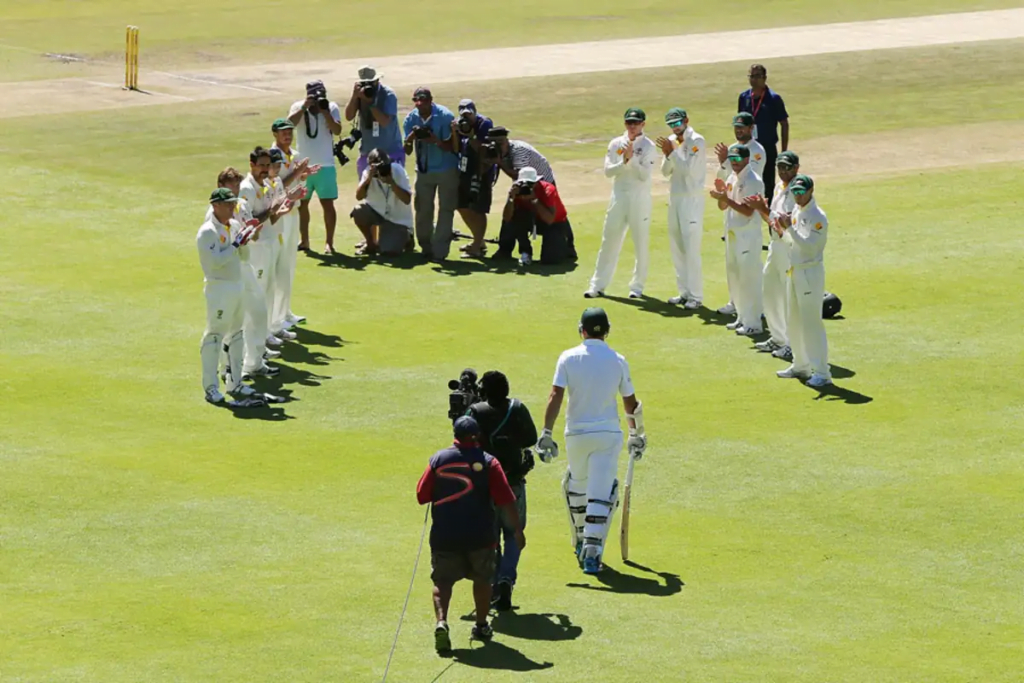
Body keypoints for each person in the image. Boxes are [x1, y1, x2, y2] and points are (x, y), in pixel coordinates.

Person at [536, 308, 646, 575]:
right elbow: (630, 402)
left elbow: (555, 396)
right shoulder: (618, 360)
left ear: (581, 329)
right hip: (608, 434)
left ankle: (582, 540)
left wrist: (546, 433)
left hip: (576, 434)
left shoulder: (568, 357)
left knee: (578, 487)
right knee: (600, 491)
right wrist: (636, 433)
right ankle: (592, 552)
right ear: (607, 331)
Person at [417, 416, 526, 654]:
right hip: (481, 536)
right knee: (483, 580)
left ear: (454, 434)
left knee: (442, 582)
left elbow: (421, 495)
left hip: (445, 535)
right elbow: (507, 500)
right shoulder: (489, 462)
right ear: (477, 436)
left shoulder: (438, 459)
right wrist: (516, 530)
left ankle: (442, 622)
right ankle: (481, 625)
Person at [467, 371, 538, 611]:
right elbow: (531, 439)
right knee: (513, 535)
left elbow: (463, 439)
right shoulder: (517, 409)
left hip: (485, 486)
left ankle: (496, 582)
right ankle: (507, 578)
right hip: (514, 482)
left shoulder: (476, 412)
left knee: (491, 538)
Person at [196, 188, 263, 406]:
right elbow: (214, 263)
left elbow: (244, 257)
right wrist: (235, 245)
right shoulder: (207, 232)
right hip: (219, 288)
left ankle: (235, 382)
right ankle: (211, 387)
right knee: (215, 335)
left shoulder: (234, 226)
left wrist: (244, 242)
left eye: (233, 204)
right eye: (227, 205)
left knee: (237, 335)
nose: (232, 208)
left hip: (237, 285)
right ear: (215, 205)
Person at [585, 108, 658, 299]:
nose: (632, 126)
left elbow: (644, 175)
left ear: (643, 124)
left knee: (640, 242)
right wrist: (624, 161)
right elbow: (609, 171)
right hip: (618, 197)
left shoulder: (649, 146)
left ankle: (637, 287)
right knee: (609, 241)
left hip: (639, 198)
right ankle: (597, 285)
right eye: (629, 123)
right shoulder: (616, 143)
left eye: (636, 123)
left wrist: (631, 159)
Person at [775, 175, 832, 387]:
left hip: (810, 274)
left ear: (811, 191)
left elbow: (810, 247)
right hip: (795, 271)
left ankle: (823, 373)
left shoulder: (818, 217)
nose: (798, 196)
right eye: (795, 192)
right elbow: (795, 243)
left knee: (811, 324)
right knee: (794, 320)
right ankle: (800, 365)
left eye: (801, 192)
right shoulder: (798, 211)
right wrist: (783, 231)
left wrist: (789, 228)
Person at [238, 147, 291, 374]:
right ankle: (251, 356)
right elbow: (250, 222)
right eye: (261, 165)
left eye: (267, 165)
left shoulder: (265, 184)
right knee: (256, 303)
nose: (264, 170)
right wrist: (270, 211)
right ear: (251, 164)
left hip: (270, 243)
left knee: (267, 295)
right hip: (257, 249)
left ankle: (260, 346)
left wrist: (280, 208)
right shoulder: (247, 188)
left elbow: (271, 214)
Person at [744, 151, 800, 361]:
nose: (783, 171)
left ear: (796, 168)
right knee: (770, 291)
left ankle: (791, 344)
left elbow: (783, 223)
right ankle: (777, 338)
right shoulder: (779, 186)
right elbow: (773, 219)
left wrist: (761, 209)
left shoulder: (797, 191)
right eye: (780, 167)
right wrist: (763, 209)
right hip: (775, 244)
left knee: (786, 297)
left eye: (787, 167)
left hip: (788, 247)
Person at [714, 113, 767, 316]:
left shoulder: (757, 151)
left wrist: (727, 161)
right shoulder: (734, 151)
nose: (738, 130)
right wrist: (723, 164)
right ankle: (736, 303)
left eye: (742, 127)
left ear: (751, 128)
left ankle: (756, 307)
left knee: (749, 269)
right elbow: (727, 175)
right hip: (732, 215)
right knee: (733, 266)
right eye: (736, 127)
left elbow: (749, 173)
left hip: (748, 208)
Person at [709, 144, 765, 336]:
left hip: (748, 236)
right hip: (733, 233)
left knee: (748, 278)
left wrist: (727, 198)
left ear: (747, 159)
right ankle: (742, 317)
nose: (734, 162)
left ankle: (753, 322)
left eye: (738, 159)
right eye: (732, 159)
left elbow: (749, 211)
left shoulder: (752, 180)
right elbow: (723, 207)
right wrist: (721, 196)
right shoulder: (732, 177)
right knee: (735, 277)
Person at [269, 119, 316, 336]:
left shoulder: (294, 154)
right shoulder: (272, 158)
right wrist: (297, 174)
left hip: (294, 210)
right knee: (280, 266)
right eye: (283, 132)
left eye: (289, 132)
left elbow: (297, 179)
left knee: (289, 265)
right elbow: (278, 185)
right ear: (275, 134)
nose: (287, 135)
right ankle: (276, 319)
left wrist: (305, 174)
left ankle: (285, 312)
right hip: (281, 214)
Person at [655, 107, 706, 308]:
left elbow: (688, 171)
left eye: (677, 123)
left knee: (691, 248)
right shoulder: (672, 140)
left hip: (691, 198)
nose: (675, 128)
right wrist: (668, 155)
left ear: (686, 120)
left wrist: (672, 152)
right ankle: (684, 292)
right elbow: (665, 171)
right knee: (677, 246)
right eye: (671, 124)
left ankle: (696, 296)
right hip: (675, 197)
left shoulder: (697, 141)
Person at [402, 87, 459, 260]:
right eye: (417, 101)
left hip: (446, 169)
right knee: (423, 209)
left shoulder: (445, 116)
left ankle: (440, 251)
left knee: (446, 210)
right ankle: (426, 247)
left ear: (430, 100)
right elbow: (408, 151)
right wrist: (410, 138)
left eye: (424, 101)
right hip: (424, 170)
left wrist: (435, 141)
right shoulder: (410, 119)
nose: (420, 105)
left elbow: (453, 147)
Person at [288, 80, 342, 254]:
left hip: (325, 165)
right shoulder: (298, 106)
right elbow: (288, 125)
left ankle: (329, 243)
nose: (319, 97)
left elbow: (337, 130)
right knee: (302, 204)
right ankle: (304, 241)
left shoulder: (331, 107)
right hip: (302, 166)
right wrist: (304, 107)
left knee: (328, 204)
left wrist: (325, 112)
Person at [495, 167, 573, 266]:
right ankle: (518, 251)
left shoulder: (548, 190)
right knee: (515, 217)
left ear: (537, 182)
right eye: (523, 183)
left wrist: (535, 200)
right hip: (530, 219)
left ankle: (566, 247)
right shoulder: (517, 191)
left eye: (530, 183)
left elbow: (549, 219)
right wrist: (511, 199)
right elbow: (507, 218)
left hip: (554, 223)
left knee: (551, 260)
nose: (527, 186)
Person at [451, 99, 495, 257]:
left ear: (475, 113)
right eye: (464, 115)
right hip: (465, 169)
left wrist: (470, 135)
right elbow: (456, 149)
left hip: (481, 171)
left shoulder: (484, 124)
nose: (466, 119)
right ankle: (479, 240)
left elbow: (483, 151)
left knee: (478, 208)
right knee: (461, 205)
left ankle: (477, 246)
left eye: (469, 115)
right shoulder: (459, 124)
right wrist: (455, 132)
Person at [738, 63, 789, 199]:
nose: (754, 79)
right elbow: (740, 122)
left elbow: (784, 123)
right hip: (748, 147)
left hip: (767, 147)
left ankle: (768, 214)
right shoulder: (744, 97)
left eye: (757, 76)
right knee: (745, 179)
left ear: (765, 78)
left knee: (768, 183)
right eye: (751, 76)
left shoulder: (773, 99)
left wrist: (784, 151)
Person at [350, 148, 414, 256]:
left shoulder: (398, 170)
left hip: (397, 220)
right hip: (377, 213)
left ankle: (408, 237)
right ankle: (371, 244)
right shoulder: (368, 172)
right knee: (358, 212)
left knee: (388, 251)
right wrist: (368, 179)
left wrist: (392, 183)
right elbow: (359, 197)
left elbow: (407, 200)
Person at [344, 65, 404, 178]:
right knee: (367, 191)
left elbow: (385, 122)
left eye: (371, 82)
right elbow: (349, 116)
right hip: (367, 153)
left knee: (393, 190)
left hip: (390, 152)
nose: (368, 86)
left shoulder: (388, 94)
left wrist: (370, 103)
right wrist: (354, 96)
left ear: (377, 80)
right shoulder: (360, 94)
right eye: (364, 83)